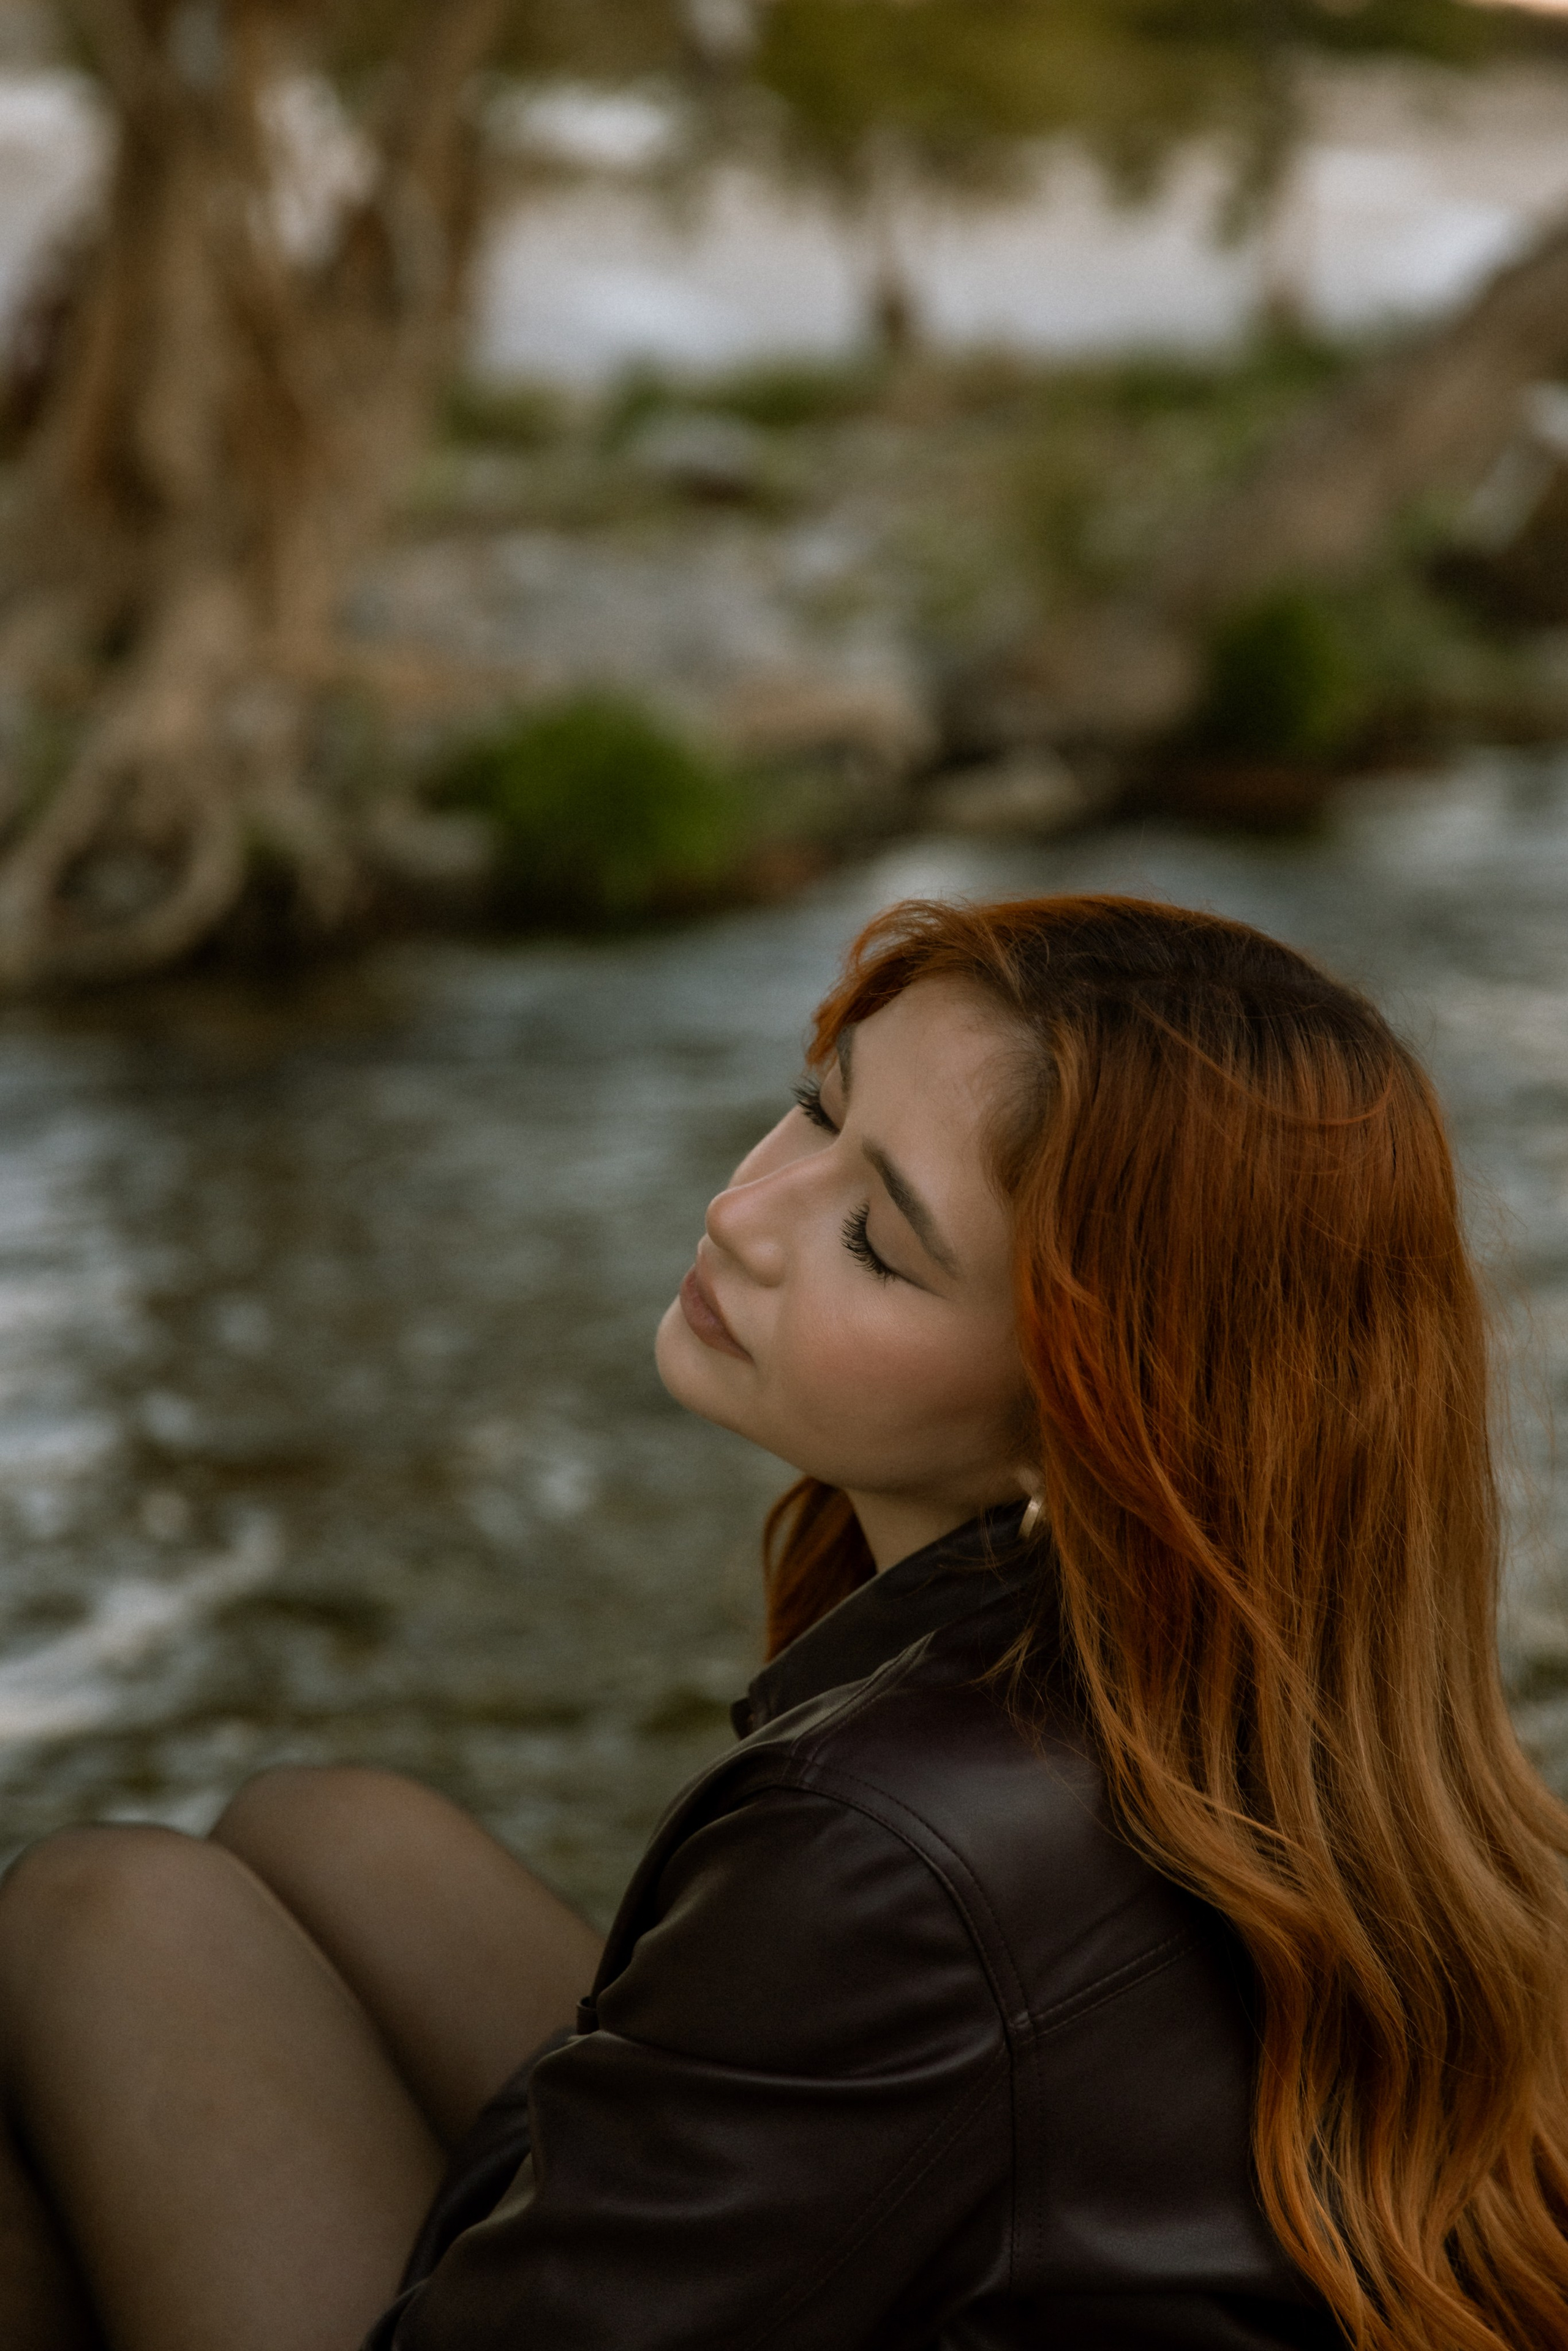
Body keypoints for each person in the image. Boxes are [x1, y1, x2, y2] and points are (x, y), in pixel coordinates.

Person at [0, 893, 1564, 2351]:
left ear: (1091, 1417)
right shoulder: (1279, 1707)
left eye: (876, 1240)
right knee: (324, 1824)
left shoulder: (899, 1853)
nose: (745, 1205)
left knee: (108, 1909)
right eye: (818, 1104)